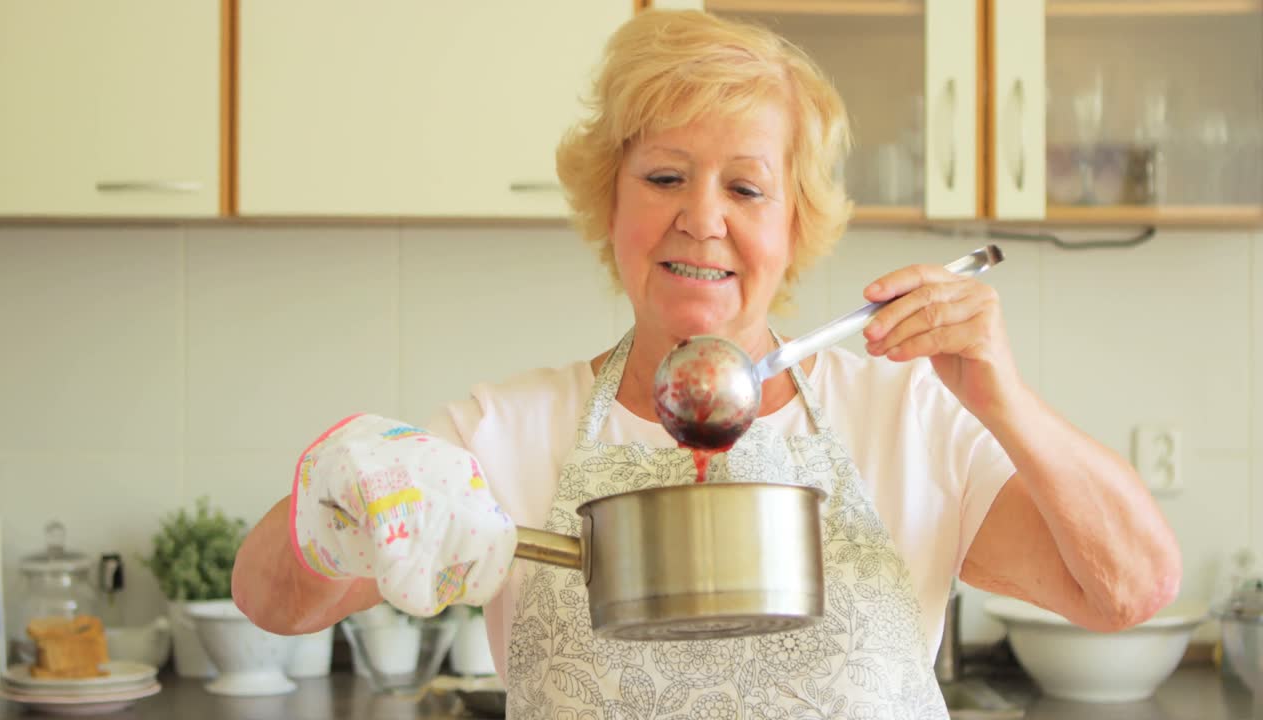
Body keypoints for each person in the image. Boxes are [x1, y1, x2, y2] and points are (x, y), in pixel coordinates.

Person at [232, 9, 1181, 718]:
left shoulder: (904, 423)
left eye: (747, 187)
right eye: (664, 176)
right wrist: (343, 481)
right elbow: (270, 600)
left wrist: (1002, 398)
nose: (703, 217)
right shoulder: (505, 435)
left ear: (796, 223)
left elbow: (1128, 590)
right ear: (610, 205)